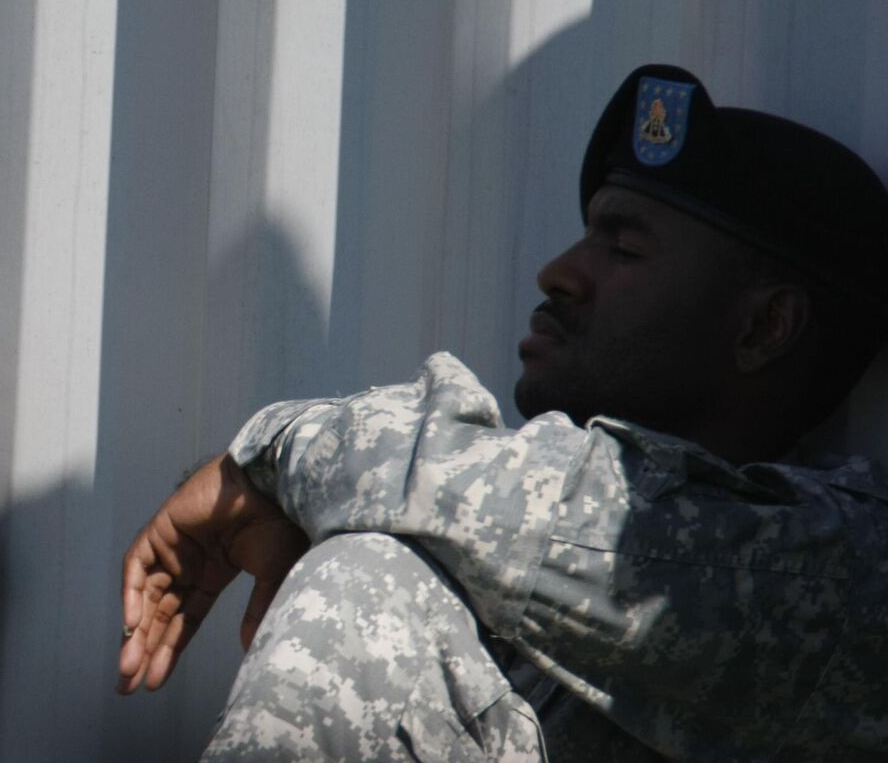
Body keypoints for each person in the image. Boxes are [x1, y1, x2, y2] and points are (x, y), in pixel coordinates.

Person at [117, 64, 888, 761]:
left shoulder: (841, 564)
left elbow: (521, 503)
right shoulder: (494, 565)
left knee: (368, 576)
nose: (558, 273)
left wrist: (273, 457)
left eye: (623, 251)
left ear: (762, 327)